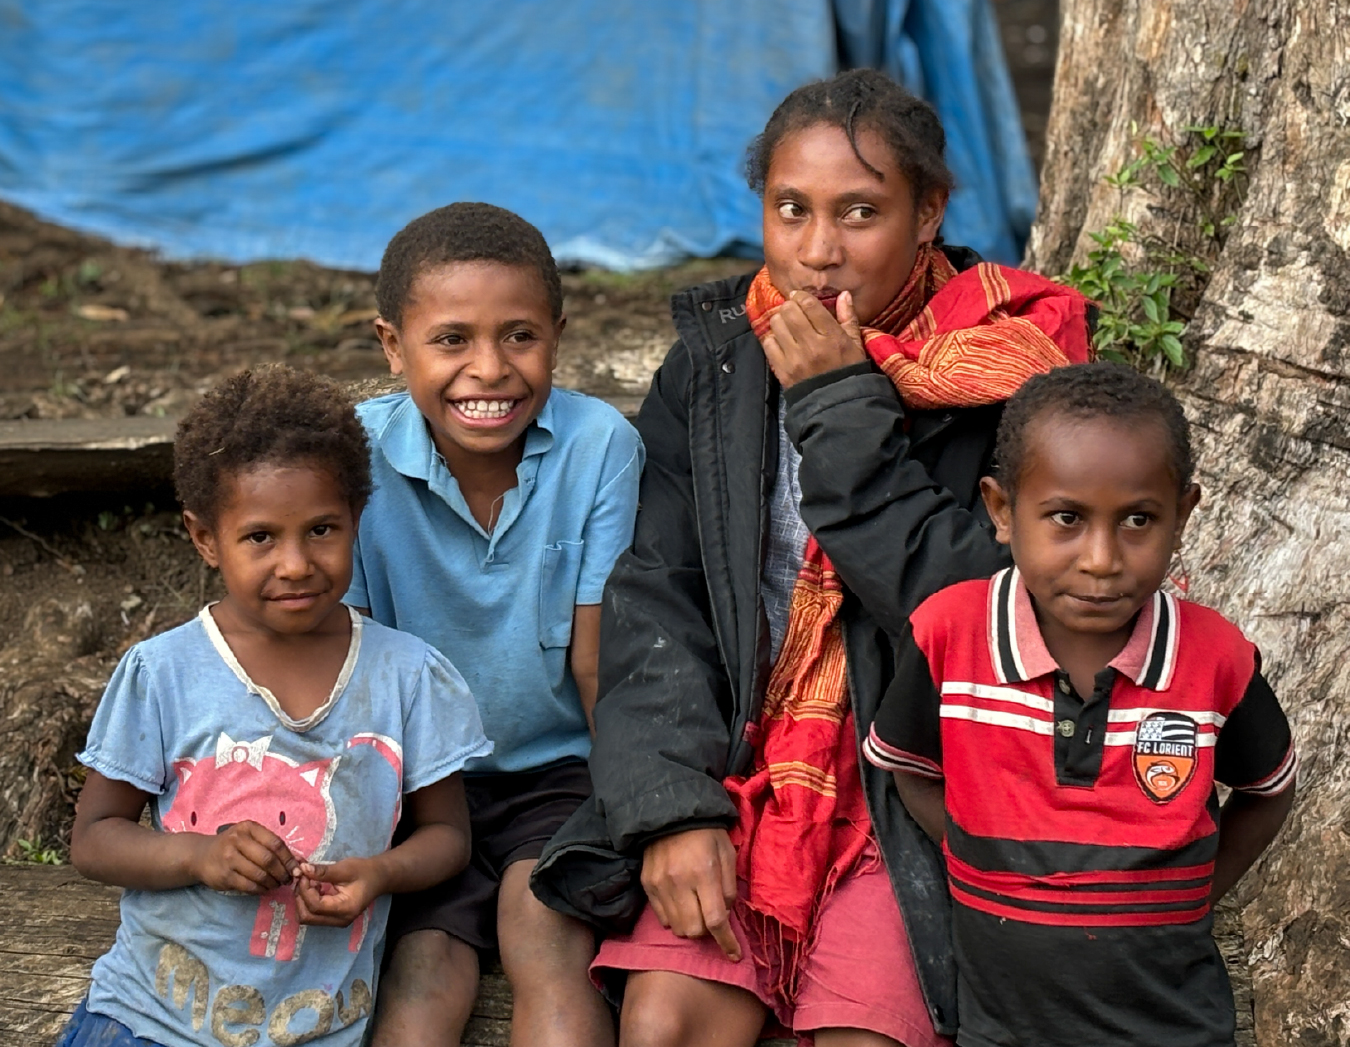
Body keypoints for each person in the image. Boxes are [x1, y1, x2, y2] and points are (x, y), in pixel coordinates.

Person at [532, 68, 1091, 1047]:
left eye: (860, 212)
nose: (818, 250)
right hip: (748, 772)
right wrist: (671, 807)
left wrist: (841, 407)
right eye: (792, 210)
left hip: (910, 796)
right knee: (664, 1021)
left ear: (930, 214)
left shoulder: (1012, 377)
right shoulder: (712, 366)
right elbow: (660, 598)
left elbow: (983, 614)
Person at [865, 362, 1298, 1047]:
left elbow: (1268, 790)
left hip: (1175, 1029)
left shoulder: (1214, 659)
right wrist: (978, 859)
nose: (1101, 558)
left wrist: (1190, 897)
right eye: (1066, 518)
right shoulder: (949, 635)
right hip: (1002, 1030)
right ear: (1003, 511)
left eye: (1138, 521)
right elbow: (911, 766)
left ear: (1182, 516)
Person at [60, 366, 489, 1047]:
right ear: (205, 539)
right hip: (149, 1021)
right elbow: (94, 836)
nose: (295, 563)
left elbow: (448, 837)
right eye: (260, 537)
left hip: (315, 1031)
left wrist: (379, 873)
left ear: (356, 518)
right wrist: (198, 856)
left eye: (322, 529)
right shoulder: (162, 673)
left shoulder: (408, 676)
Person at [349, 202, 642, 1046]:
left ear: (558, 331)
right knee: (422, 963)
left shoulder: (599, 447)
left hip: (556, 772)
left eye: (520, 336)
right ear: (392, 345)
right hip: (415, 779)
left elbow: (597, 661)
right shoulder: (355, 456)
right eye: (451, 340)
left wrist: (634, 810)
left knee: (542, 932)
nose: (489, 369)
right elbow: (349, 655)